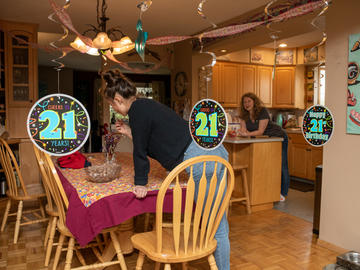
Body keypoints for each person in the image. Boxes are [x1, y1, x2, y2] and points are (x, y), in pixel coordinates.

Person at [101, 69, 230, 270]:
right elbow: (152, 143)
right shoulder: (145, 105)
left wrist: (140, 183)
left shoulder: (137, 111)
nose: (114, 109)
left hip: (199, 158)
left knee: (215, 226)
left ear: (117, 99)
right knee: (218, 223)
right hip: (215, 152)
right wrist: (128, 132)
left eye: (111, 104)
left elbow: (140, 152)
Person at [238, 92, 290, 201]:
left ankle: (283, 193)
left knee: (281, 164)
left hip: (278, 136)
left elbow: (260, 131)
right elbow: (243, 129)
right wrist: (243, 132)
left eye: (249, 101)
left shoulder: (262, 111)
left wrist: (247, 134)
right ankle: (270, 192)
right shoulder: (244, 115)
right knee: (268, 166)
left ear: (254, 102)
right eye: (244, 102)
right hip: (265, 139)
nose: (246, 104)